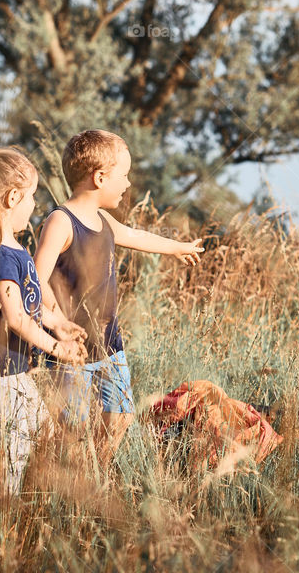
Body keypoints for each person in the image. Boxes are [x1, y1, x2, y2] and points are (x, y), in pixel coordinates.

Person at [34, 129, 204, 465]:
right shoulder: (60, 221)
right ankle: (71, 481)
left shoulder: (103, 220)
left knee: (121, 417)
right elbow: (35, 281)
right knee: (74, 428)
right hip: (71, 351)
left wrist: (176, 247)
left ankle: (99, 476)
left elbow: (134, 235)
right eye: (123, 176)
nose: (127, 184)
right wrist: (56, 324)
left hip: (110, 345)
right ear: (99, 178)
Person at [0, 144, 87, 495]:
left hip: (11, 366)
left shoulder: (7, 247)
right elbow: (14, 316)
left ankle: (10, 494)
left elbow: (27, 304)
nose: (35, 206)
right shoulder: (1, 253)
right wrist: (57, 347)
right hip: (1, 368)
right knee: (17, 447)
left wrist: (56, 321)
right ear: (13, 197)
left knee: (42, 432)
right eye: (32, 196)